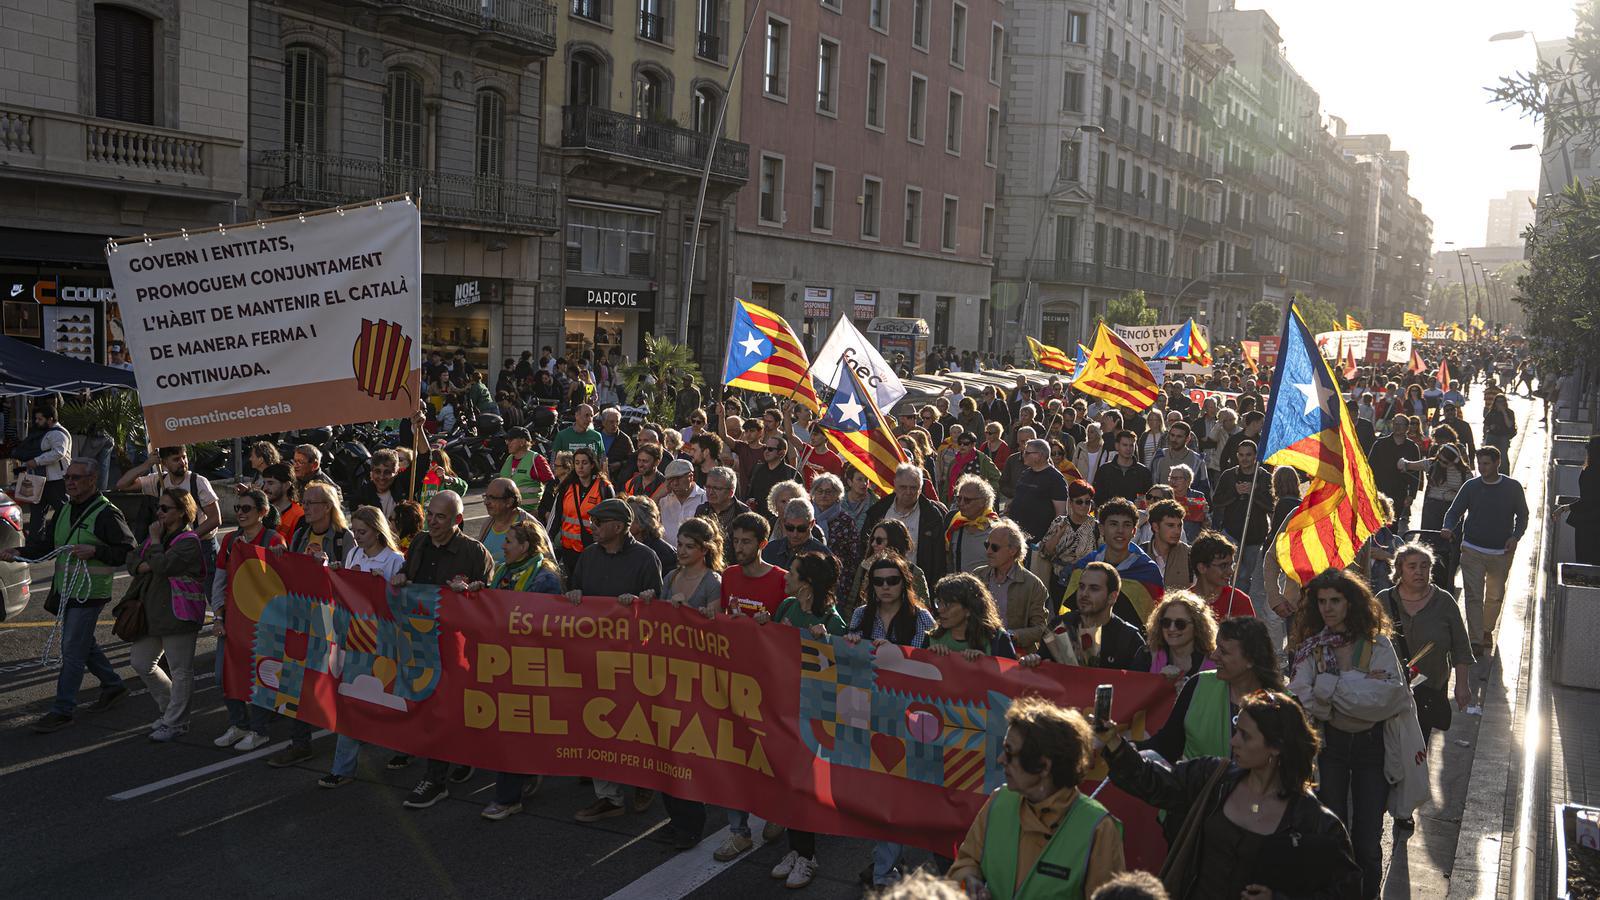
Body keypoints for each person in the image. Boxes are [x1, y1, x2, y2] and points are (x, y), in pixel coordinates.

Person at [1096, 691, 1363, 900]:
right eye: (1237, 730)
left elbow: (1347, 891)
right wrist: (1113, 743)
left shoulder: (1314, 822)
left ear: (1276, 747)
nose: (1234, 741)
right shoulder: (1213, 778)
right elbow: (1153, 782)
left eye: (1245, 736)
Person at [1289, 568, 1420, 897]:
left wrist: (1330, 688)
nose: (1328, 608)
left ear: (1351, 604)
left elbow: (1390, 699)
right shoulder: (1312, 649)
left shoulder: (1378, 645)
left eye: (1335, 601)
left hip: (1371, 750)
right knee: (1332, 831)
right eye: (1321, 602)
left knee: (1367, 840)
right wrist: (1358, 686)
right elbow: (1302, 695)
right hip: (1329, 747)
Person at [3, 458, 135, 733]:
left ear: (92, 480)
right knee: (82, 643)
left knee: (72, 649)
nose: (70, 482)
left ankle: (63, 709)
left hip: (90, 592)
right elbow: (47, 546)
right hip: (66, 590)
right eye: (67, 478)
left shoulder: (107, 513)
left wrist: (96, 551)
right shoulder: (63, 510)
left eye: (76, 477)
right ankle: (113, 686)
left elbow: (127, 550)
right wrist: (19, 553)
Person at [949, 697, 1124, 899]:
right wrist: (968, 884)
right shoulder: (999, 802)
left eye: (1009, 752)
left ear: (1043, 766)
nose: (1000, 760)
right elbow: (964, 865)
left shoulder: (1098, 828)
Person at [561, 498, 667, 824]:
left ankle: (645, 781)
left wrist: (641, 603)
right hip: (593, 655)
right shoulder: (589, 556)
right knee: (598, 722)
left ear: (618, 527)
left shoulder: (646, 558)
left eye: (598, 522)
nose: (591, 527)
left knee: (636, 724)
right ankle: (608, 796)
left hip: (634, 658)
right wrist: (573, 596)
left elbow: (659, 611)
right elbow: (573, 591)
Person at [388, 491, 496, 808]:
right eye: (431, 514)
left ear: (458, 520)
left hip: (457, 646)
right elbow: (409, 571)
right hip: (420, 641)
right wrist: (402, 577)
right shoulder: (420, 542)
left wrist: (475, 591)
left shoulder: (474, 552)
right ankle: (454, 758)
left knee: (447, 709)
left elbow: (491, 598)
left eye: (441, 517)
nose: (433, 522)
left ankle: (435, 780)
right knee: (429, 708)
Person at [752, 553, 847, 887]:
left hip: (813, 716)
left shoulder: (832, 622)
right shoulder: (787, 607)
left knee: (803, 786)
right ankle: (795, 849)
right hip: (781, 708)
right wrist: (765, 626)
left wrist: (824, 643)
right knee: (785, 783)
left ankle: (807, 857)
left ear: (807, 582)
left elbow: (840, 672)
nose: (786, 577)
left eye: (792, 573)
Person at [845, 552, 939, 888]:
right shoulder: (860, 614)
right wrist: (853, 643)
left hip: (911, 716)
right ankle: (886, 864)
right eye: (878, 581)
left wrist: (894, 653)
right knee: (880, 794)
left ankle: (888, 865)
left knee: (902, 795)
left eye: (893, 580)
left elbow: (929, 666)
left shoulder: (923, 619)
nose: (885, 587)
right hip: (871, 714)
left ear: (905, 583)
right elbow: (848, 662)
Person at [474, 521, 565, 818]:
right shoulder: (502, 571)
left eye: (509, 541)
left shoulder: (544, 578)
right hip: (502, 661)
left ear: (525, 546)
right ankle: (528, 770)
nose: (503, 546)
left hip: (529, 664)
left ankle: (507, 798)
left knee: (513, 728)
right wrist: (476, 594)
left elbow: (544, 624)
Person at [315, 506, 408, 787]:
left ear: (378, 531)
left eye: (362, 531)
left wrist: (389, 586)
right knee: (351, 703)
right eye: (354, 531)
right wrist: (334, 571)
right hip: (355, 639)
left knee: (390, 700)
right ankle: (343, 768)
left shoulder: (394, 560)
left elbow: (402, 602)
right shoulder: (354, 553)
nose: (357, 536)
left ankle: (405, 748)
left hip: (384, 642)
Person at [126, 488, 207, 742]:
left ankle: (176, 722)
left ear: (182, 512)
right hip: (153, 612)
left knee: (180, 670)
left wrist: (155, 549)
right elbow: (131, 559)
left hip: (178, 613)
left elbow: (162, 567)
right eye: (158, 507)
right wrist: (145, 562)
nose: (158, 512)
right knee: (141, 662)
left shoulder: (188, 541)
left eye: (165, 508)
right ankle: (171, 709)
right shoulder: (156, 537)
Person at [209, 488, 285, 749]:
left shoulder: (274, 541)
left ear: (262, 513)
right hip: (233, 620)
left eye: (246, 509)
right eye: (237, 508)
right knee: (224, 675)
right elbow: (219, 582)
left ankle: (259, 729)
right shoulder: (230, 542)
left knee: (260, 676)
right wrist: (217, 617)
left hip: (264, 624)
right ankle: (238, 724)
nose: (240, 513)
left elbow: (282, 583)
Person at [1378, 544, 1475, 744]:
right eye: (1412, 566)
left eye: (1424, 566)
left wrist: (1462, 685)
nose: (1419, 572)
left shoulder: (1444, 602)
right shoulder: (1384, 600)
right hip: (1387, 688)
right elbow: (1366, 641)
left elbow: (1461, 648)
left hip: (1428, 691)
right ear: (1400, 569)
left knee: (1417, 747)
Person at [1442, 445, 1529, 653]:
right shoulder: (1471, 486)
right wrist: (1447, 526)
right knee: (1473, 595)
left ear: (1497, 463)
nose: (1481, 468)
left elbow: (1523, 515)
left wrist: (1515, 537)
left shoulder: (1512, 487)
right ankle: (1475, 639)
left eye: (1486, 463)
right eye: (1479, 463)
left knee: (1495, 595)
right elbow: (1454, 511)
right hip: (1472, 548)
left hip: (1501, 552)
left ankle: (1486, 629)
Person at [117, 445, 223, 587]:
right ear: (164, 463)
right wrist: (147, 464)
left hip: (202, 545)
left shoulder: (198, 481)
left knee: (213, 593)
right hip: (173, 545)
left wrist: (188, 539)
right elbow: (122, 484)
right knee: (180, 592)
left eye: (184, 457)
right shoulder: (158, 480)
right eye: (176, 459)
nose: (182, 462)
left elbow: (215, 519)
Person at [1024, 561, 1145, 670]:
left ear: (1112, 597)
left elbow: (1140, 686)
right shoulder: (1059, 626)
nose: (1084, 594)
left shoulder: (1129, 639)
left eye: (1094, 588)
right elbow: (1041, 666)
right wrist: (1033, 661)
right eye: (1081, 586)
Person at [862, 463, 949, 583]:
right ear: (895, 486)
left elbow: (938, 559)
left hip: (916, 583)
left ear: (920, 489)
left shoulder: (932, 516)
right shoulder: (878, 512)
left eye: (913, 488)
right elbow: (865, 549)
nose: (908, 492)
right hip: (881, 583)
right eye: (903, 487)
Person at [1211, 440, 1273, 601]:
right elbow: (1217, 501)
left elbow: (1271, 505)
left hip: (1256, 535)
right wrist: (1235, 492)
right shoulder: (1229, 475)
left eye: (1249, 455)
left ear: (1255, 456)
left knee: (1246, 575)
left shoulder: (1264, 476)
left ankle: (1240, 603)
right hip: (1231, 532)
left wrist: (1255, 492)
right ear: (1237, 455)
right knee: (1226, 571)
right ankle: (1226, 601)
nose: (1244, 459)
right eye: (1241, 455)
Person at [974, 520, 1049, 653]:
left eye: (995, 547)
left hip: (1015, 656)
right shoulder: (977, 576)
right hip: (979, 650)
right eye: (987, 545)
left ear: (1013, 550)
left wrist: (1012, 636)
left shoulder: (1033, 585)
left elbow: (1040, 629)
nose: (988, 551)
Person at [1131, 590, 1219, 692]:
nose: (1172, 629)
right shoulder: (1147, 654)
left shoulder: (1214, 661)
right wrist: (1158, 682)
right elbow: (1132, 693)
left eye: (1180, 624)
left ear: (1197, 626)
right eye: (1166, 622)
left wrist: (1189, 692)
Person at [842, 521, 931, 614]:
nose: (873, 544)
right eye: (872, 539)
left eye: (879, 540)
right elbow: (851, 603)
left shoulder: (914, 572)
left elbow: (924, 608)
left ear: (894, 541)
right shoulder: (864, 567)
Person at [15, 398, 72, 543]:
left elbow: (58, 452)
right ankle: (35, 544)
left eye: (40, 419)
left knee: (62, 511)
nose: (37, 421)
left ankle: (62, 538)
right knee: (36, 513)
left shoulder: (58, 433)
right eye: (36, 418)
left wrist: (37, 461)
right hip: (40, 479)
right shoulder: (46, 432)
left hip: (56, 480)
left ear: (50, 419)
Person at [550, 446, 614, 575]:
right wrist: (549, 539)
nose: (580, 467)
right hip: (569, 549)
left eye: (584, 463)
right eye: (577, 463)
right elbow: (557, 517)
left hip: (594, 548)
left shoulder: (603, 487)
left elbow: (611, 519)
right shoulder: (567, 486)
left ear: (592, 465)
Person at [926, 572, 1019, 660]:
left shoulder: (997, 640)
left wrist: (986, 663)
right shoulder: (931, 639)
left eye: (947, 604)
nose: (939, 610)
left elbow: (1011, 675)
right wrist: (929, 657)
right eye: (938, 603)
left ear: (969, 609)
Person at [721, 512, 791, 616]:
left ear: (763, 544)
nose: (739, 548)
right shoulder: (728, 575)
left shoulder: (783, 579)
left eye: (746, 542)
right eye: (736, 541)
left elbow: (788, 626)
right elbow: (720, 618)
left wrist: (766, 623)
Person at [1039, 480, 1100, 593]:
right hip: (1059, 582)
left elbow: (1102, 555)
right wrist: (1057, 536)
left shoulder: (1096, 527)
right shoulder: (1059, 523)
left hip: (1086, 584)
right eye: (1079, 502)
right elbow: (1045, 552)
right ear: (1070, 502)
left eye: (1087, 502)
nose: (1084, 505)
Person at [1009, 439, 1073, 544]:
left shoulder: (1055, 479)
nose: (1023, 455)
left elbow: (1061, 515)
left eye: (1027, 452)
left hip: (1037, 541)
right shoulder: (1025, 473)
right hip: (1016, 537)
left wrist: (1050, 541)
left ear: (1039, 455)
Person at [1367, 415, 1422, 533]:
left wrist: (1411, 495)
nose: (1397, 427)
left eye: (1401, 424)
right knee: (1376, 523)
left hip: (1399, 492)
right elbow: (1369, 467)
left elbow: (1416, 473)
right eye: (1395, 423)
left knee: (1393, 525)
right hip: (1379, 490)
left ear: (1407, 428)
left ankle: (1389, 549)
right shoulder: (1380, 444)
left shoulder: (1412, 447)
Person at [945, 474, 1001, 575]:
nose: (961, 503)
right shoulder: (955, 523)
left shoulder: (997, 530)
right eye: (959, 498)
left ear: (983, 502)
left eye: (967, 500)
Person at [290, 483, 355, 566]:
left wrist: (325, 565)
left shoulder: (345, 537)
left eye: (310, 503)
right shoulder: (298, 535)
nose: (305, 507)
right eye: (303, 502)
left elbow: (350, 575)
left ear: (327, 507)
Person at [477, 477, 535, 564]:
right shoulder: (488, 523)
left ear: (509, 502)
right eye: (486, 497)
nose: (486, 502)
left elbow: (545, 562)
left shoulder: (528, 525)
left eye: (492, 498)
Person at [498, 426, 555, 514]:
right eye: (507, 440)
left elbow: (551, 485)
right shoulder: (509, 459)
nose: (508, 443)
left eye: (511, 440)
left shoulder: (536, 459)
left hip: (530, 514)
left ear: (522, 442)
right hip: (509, 512)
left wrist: (544, 510)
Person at [1562, 436, 1600, 565]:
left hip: (1588, 523)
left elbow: (1588, 500)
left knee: (1586, 560)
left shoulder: (1590, 472)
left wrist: (1566, 507)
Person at [761, 496, 829, 569]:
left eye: (801, 529)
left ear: (812, 524)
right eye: (790, 528)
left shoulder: (823, 557)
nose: (795, 534)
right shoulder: (769, 550)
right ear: (784, 522)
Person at [1091, 430, 1153, 504]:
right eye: (1125, 445)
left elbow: (1150, 499)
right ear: (1117, 446)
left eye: (1131, 445)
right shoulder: (1104, 470)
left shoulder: (1144, 472)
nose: (1128, 449)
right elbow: (1096, 498)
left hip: (1134, 514)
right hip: (1109, 513)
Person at [1142, 499, 1191, 590]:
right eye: (1170, 525)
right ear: (1155, 527)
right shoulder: (1140, 554)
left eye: (1179, 526)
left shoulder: (1189, 555)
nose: (1177, 531)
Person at [622, 494, 677, 575]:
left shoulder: (666, 555)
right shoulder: (619, 546)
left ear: (642, 524)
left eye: (628, 519)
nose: (622, 523)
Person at [656, 458, 707, 545]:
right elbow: (643, 517)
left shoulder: (704, 498)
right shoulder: (662, 500)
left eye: (678, 478)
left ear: (691, 477)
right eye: (671, 479)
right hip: (666, 555)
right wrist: (657, 496)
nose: (675, 483)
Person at [694, 466, 750, 538]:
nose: (710, 492)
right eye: (708, 487)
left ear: (730, 493)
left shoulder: (743, 513)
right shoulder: (702, 510)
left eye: (716, 488)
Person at [348, 448, 406, 517]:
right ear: (371, 472)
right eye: (377, 471)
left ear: (396, 472)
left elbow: (422, 458)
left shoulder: (404, 487)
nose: (382, 477)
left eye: (387, 472)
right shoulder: (362, 495)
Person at [747, 435, 799, 507]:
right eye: (765, 448)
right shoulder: (757, 469)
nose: (766, 451)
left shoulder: (791, 474)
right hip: (758, 515)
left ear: (781, 453)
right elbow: (750, 494)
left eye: (770, 449)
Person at [598, 407, 635, 483]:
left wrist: (620, 464)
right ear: (603, 422)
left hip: (616, 479)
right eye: (611, 422)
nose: (614, 425)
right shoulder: (595, 436)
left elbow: (632, 459)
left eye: (617, 422)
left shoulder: (624, 440)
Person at [1482, 392, 1516, 458]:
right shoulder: (1492, 412)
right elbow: (1485, 425)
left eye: (1502, 401)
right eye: (1498, 402)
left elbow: (1509, 425)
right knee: (1489, 455)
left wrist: (1504, 412)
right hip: (1492, 435)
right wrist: (1489, 428)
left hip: (1504, 436)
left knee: (1503, 456)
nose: (1500, 403)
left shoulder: (1510, 412)